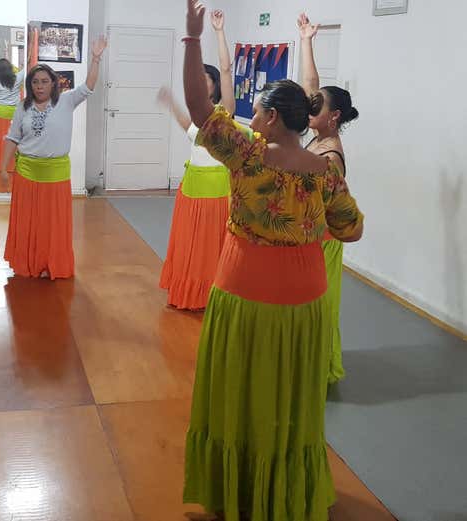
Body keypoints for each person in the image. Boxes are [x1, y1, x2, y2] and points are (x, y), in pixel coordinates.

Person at [180, 2, 364, 520]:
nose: (252, 117)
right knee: (288, 397)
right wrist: (308, 227)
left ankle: (237, 485)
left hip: (244, 291)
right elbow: (351, 228)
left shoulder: (246, 153)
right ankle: (284, 487)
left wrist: (193, 40)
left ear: (273, 117)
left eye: (258, 111)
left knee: (242, 390)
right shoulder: (325, 170)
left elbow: (199, 108)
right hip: (304, 299)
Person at [1, 37, 107, 280]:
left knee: (53, 224)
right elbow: (12, 138)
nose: (39, 86)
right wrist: (4, 168)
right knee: (29, 223)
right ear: (30, 85)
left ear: (53, 84)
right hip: (27, 171)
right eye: (35, 82)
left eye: (44, 82)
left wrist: (96, 58)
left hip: (57, 173)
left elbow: (89, 86)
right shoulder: (22, 108)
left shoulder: (66, 101)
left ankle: (52, 263)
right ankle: (29, 263)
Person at [157, 9, 235, 311]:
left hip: (217, 192)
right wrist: (172, 103)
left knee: (208, 248)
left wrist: (217, 32)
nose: (200, 84)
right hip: (191, 189)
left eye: (206, 79)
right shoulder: (198, 118)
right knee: (190, 245)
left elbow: (227, 69)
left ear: (215, 84)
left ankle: (209, 293)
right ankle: (187, 289)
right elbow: (186, 126)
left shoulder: (223, 113)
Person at [298, 12, 360, 384]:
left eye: (316, 106)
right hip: (311, 237)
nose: (309, 108)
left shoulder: (330, 155)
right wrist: (306, 39)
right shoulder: (318, 139)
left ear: (333, 116)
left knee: (318, 306)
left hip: (323, 240)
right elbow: (311, 85)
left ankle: (317, 366)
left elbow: (331, 208)